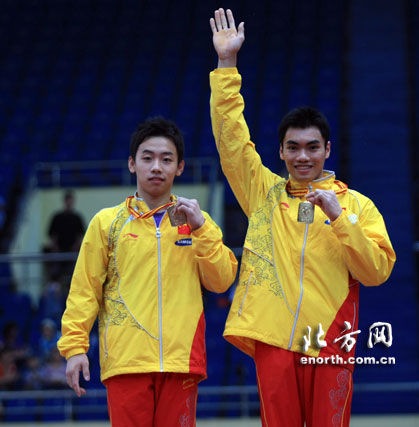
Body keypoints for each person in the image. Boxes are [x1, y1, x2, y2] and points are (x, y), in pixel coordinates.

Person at [209, 9, 396, 426]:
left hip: (329, 337)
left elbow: (377, 271)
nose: (302, 156)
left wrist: (339, 219)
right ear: (280, 152)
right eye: (293, 147)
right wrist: (226, 64)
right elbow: (231, 140)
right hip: (274, 337)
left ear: (328, 149)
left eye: (312, 147)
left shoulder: (358, 206)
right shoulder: (263, 193)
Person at [57, 117, 238, 426]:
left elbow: (221, 282)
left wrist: (201, 229)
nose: (157, 167)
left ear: (179, 167)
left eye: (166, 159)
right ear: (132, 164)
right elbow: (84, 290)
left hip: (181, 362)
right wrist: (75, 348)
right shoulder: (106, 223)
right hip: (126, 362)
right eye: (148, 158)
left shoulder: (198, 221)